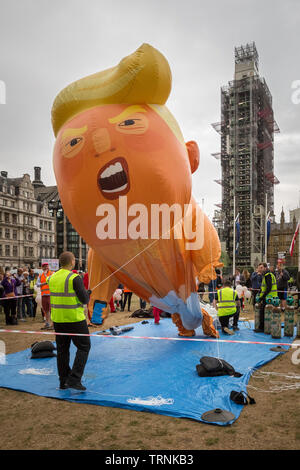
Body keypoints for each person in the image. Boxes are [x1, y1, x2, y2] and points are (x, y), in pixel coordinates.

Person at [48, 251, 91, 391]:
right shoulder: (74, 277)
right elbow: (84, 300)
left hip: (58, 319)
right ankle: (74, 378)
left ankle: (63, 381)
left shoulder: (52, 277)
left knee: (62, 350)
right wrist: (87, 294)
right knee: (84, 347)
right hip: (74, 319)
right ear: (72, 262)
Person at [256, 262, 278, 333]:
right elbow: (264, 287)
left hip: (269, 297)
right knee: (268, 313)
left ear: (265, 268)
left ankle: (262, 328)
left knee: (263, 312)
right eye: (259, 268)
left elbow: (268, 288)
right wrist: (259, 293)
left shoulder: (268, 275)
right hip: (271, 297)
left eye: (261, 268)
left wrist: (262, 297)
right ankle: (268, 327)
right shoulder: (267, 275)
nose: (260, 269)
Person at [37, 262, 54, 330]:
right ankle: (47, 323)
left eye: (47, 266)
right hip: (44, 295)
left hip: (50, 295)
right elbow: (37, 284)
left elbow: (50, 281)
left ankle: (53, 324)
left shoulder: (52, 273)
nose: (46, 268)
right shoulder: (40, 275)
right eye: (44, 267)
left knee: (52, 310)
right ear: (42, 268)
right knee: (46, 310)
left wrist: (45, 276)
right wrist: (43, 283)